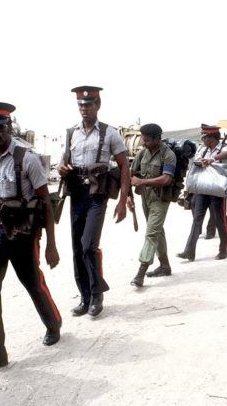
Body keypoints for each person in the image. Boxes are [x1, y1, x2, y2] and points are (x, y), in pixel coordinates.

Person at [0, 101, 62, 378]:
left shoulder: (27, 158)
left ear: (9, 127)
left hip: (22, 231)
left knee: (32, 282)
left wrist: (52, 246)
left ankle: (53, 323)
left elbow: (45, 203)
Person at [57, 86, 130, 317]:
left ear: (97, 105)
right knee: (77, 248)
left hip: (97, 195)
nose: (84, 109)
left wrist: (123, 199)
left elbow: (124, 166)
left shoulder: (110, 133)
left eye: (88, 105)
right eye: (81, 105)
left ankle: (97, 294)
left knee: (89, 245)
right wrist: (61, 168)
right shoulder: (71, 133)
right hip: (76, 194)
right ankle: (85, 297)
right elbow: (62, 162)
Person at [127, 123, 177, 286]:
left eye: (146, 140)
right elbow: (131, 174)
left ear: (157, 138)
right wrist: (129, 197)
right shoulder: (143, 154)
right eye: (143, 139)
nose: (143, 142)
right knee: (157, 231)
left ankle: (140, 272)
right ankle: (164, 266)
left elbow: (166, 179)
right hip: (145, 197)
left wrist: (142, 181)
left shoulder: (168, 155)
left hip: (160, 199)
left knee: (151, 233)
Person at [179, 124, 227, 260]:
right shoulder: (203, 149)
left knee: (220, 220)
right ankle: (189, 251)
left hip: (217, 189)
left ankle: (223, 250)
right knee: (197, 219)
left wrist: (212, 159)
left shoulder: (223, 147)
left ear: (212, 138)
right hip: (202, 188)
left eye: (205, 137)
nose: (203, 140)